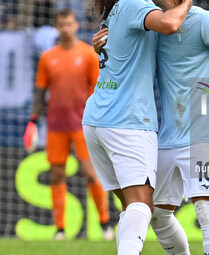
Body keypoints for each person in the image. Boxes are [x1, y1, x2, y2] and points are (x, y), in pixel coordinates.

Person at [94, 1, 209, 254]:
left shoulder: (205, 21)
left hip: (206, 133)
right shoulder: (155, 26)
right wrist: (104, 43)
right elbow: (126, 50)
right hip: (168, 135)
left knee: (206, 210)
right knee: (156, 214)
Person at [83, 0, 192, 254]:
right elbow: (170, 23)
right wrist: (186, 2)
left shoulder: (116, 9)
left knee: (133, 210)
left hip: (98, 118)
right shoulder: (134, 3)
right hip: (127, 121)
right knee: (141, 205)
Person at [23, 9, 113, 241]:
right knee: (56, 175)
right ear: (56, 26)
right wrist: (33, 121)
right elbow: (40, 91)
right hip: (55, 126)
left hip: (83, 124)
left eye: (69, 23)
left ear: (75, 25)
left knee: (91, 174)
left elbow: (98, 90)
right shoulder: (47, 57)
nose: (65, 28)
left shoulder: (87, 54)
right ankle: (60, 229)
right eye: (61, 24)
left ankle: (105, 223)